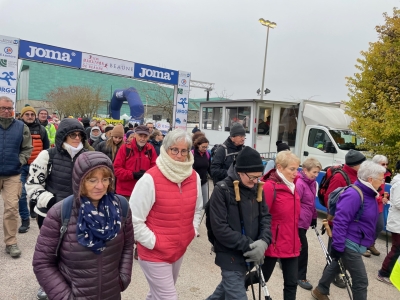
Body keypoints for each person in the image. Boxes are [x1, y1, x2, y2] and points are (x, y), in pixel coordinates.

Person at [32, 151, 134, 299]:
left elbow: (128, 245)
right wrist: (65, 296)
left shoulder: (121, 207)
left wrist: (123, 278)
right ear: (79, 181)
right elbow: (42, 263)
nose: (100, 186)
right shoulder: (60, 212)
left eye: (105, 179)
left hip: (111, 294)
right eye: (92, 180)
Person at [130, 129, 203, 299]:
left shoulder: (194, 177)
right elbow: (133, 220)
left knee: (157, 295)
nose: (179, 155)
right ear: (166, 149)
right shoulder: (150, 179)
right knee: (168, 297)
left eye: (184, 150)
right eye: (174, 150)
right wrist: (155, 242)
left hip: (179, 250)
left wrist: (192, 230)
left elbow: (197, 209)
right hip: (154, 252)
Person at [26, 118, 88, 300]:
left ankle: (70, 282)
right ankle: (47, 284)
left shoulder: (87, 156)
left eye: (80, 135)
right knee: (50, 252)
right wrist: (51, 201)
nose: (77, 138)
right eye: (72, 135)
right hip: (50, 213)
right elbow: (32, 184)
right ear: (63, 136)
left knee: (74, 252)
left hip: (79, 213)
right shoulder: (47, 155)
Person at [312, 161, 385, 300]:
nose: (382, 182)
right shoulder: (354, 194)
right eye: (381, 179)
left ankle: (320, 290)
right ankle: (321, 290)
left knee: (337, 265)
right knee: (361, 281)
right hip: (349, 242)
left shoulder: (369, 193)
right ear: (370, 179)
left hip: (357, 240)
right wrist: (338, 246)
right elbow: (340, 221)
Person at [206, 146, 272, 300]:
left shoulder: (256, 187)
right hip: (229, 256)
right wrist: (249, 245)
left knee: (222, 293)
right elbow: (220, 229)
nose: (255, 181)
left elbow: (266, 218)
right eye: (252, 177)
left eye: (258, 177)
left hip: (250, 255)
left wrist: (264, 241)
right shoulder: (222, 190)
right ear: (239, 171)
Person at [261, 151, 301, 300]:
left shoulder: (293, 185)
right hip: (274, 242)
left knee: (291, 283)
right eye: (292, 169)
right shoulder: (270, 187)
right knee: (262, 277)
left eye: (297, 169)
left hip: (291, 242)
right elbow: (262, 216)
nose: (296, 173)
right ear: (280, 167)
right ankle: (236, 287)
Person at [0, 96, 32, 258]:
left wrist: (18, 162)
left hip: (13, 174)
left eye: (9, 108)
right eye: (3, 108)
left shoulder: (21, 127)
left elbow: (27, 148)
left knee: (11, 209)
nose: (6, 111)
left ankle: (11, 242)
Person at [18, 106, 50, 232]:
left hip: (36, 166)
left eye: (32, 114)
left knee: (36, 192)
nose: (30, 116)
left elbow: (46, 148)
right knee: (21, 194)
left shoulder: (41, 129)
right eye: (27, 114)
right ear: (22, 116)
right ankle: (25, 220)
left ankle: (33, 206)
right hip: (21, 166)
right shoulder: (17, 129)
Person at [296, 158, 322, 290]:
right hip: (298, 221)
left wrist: (314, 217)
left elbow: (311, 203)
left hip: (306, 220)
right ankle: (301, 276)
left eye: (318, 172)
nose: (316, 175)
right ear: (305, 170)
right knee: (303, 248)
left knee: (296, 246)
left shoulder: (312, 183)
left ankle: (285, 262)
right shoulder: (300, 183)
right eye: (314, 172)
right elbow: (295, 204)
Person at [114, 125, 157, 199]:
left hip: (143, 192)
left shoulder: (150, 149)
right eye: (140, 135)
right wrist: (132, 175)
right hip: (125, 193)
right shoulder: (125, 148)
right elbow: (116, 169)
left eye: (145, 136)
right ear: (135, 135)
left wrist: (147, 175)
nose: (142, 139)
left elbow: (155, 168)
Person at [377, 159, 400, 285]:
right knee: (397, 248)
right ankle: (383, 272)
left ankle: (392, 272)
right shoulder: (399, 183)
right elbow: (397, 202)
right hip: (397, 221)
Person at [368, 155, 391, 256]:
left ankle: (370, 244)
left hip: (379, 205)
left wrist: (386, 196)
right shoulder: (370, 175)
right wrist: (380, 198)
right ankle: (362, 246)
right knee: (367, 226)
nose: (385, 166)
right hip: (370, 204)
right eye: (383, 164)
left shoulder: (384, 176)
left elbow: (380, 190)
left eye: (386, 164)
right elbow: (369, 192)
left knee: (380, 225)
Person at [192, 135, 211, 208]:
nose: (205, 149)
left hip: (203, 182)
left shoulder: (207, 154)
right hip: (194, 182)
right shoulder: (192, 154)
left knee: (205, 204)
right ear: (198, 145)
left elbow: (210, 168)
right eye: (203, 147)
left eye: (206, 147)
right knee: (195, 204)